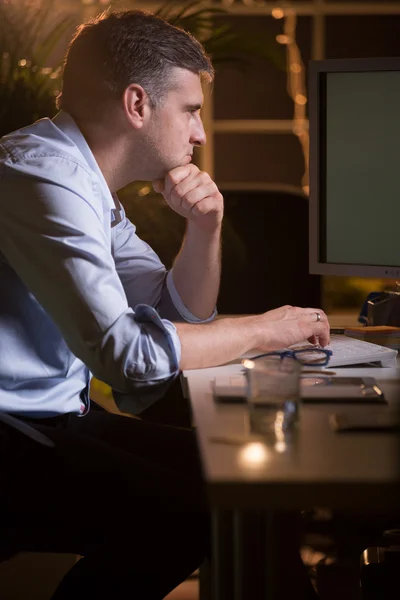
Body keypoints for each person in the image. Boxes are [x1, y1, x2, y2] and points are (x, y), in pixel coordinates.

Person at [0, 9, 329, 599]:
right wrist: (265, 330)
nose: (200, 133)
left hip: (53, 420)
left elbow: (176, 319)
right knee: (188, 513)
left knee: (260, 484)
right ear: (136, 104)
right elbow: (128, 355)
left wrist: (206, 227)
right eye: (191, 110)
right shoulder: (40, 176)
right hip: (11, 434)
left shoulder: (88, 187)